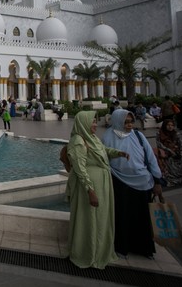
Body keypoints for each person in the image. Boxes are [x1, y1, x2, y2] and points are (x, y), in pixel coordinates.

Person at [66, 111, 129, 269]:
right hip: (89, 187)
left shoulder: (91, 138)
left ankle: (100, 250)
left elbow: (103, 150)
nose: (96, 124)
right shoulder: (78, 141)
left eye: (95, 121)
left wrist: (117, 153)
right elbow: (79, 168)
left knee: (101, 218)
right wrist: (90, 190)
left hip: (101, 184)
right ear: (84, 123)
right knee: (89, 219)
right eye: (93, 122)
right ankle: (87, 252)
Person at [103, 109, 163, 259]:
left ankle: (144, 248)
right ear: (117, 121)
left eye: (131, 122)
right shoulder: (107, 137)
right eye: (126, 122)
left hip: (142, 181)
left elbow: (150, 158)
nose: (130, 125)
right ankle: (122, 247)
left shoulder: (138, 136)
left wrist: (157, 180)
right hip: (119, 182)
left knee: (142, 217)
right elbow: (103, 159)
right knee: (122, 215)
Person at [155, 119, 182, 186]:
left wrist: (181, 153)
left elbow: (181, 143)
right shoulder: (159, 134)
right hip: (165, 154)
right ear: (165, 125)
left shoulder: (176, 134)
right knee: (169, 160)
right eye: (168, 125)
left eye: (172, 125)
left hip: (176, 153)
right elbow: (160, 145)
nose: (170, 127)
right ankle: (171, 180)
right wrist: (170, 152)